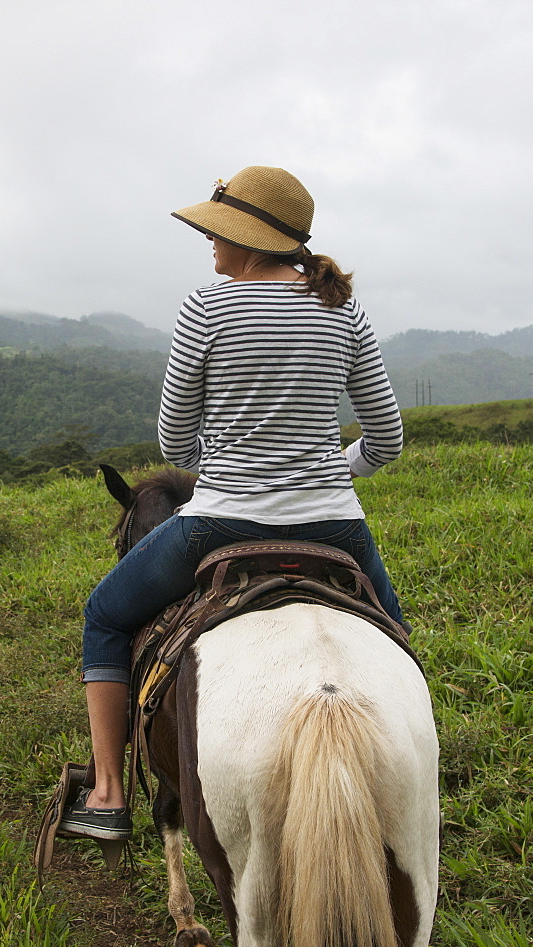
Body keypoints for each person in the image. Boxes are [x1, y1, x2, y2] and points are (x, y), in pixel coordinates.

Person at [58, 166, 406, 841]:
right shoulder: (343, 308)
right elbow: (386, 438)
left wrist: (227, 455)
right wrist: (332, 470)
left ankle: (105, 794)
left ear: (248, 240)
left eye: (218, 232)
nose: (210, 245)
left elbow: (174, 442)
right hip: (338, 527)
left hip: (220, 524)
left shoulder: (206, 307)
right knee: (397, 648)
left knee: (103, 614)